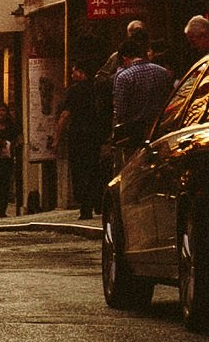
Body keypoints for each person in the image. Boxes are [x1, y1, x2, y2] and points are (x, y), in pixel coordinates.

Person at [109, 27, 175, 163]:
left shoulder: (124, 76)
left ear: (124, 58)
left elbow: (120, 111)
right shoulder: (162, 72)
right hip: (159, 130)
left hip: (133, 135)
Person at [64, 55, 111, 218]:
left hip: (78, 134)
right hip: (95, 134)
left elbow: (65, 114)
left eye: (74, 71)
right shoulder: (97, 88)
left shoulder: (74, 91)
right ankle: (97, 202)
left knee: (79, 172)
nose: (72, 74)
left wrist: (57, 137)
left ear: (81, 72)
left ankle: (85, 208)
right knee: (93, 170)